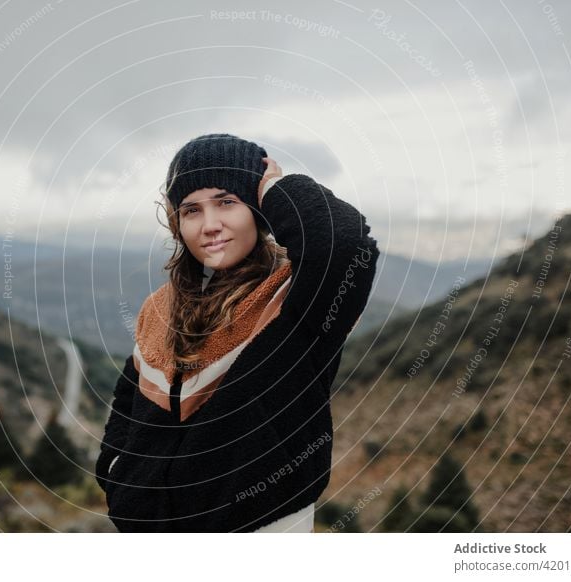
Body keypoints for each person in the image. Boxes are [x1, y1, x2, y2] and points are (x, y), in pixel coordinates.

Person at [95, 133, 379, 532]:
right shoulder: (159, 308)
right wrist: (116, 471)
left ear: (257, 209)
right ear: (178, 223)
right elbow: (129, 399)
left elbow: (344, 244)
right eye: (192, 210)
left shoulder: (296, 298)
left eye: (227, 202)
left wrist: (278, 190)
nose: (210, 225)